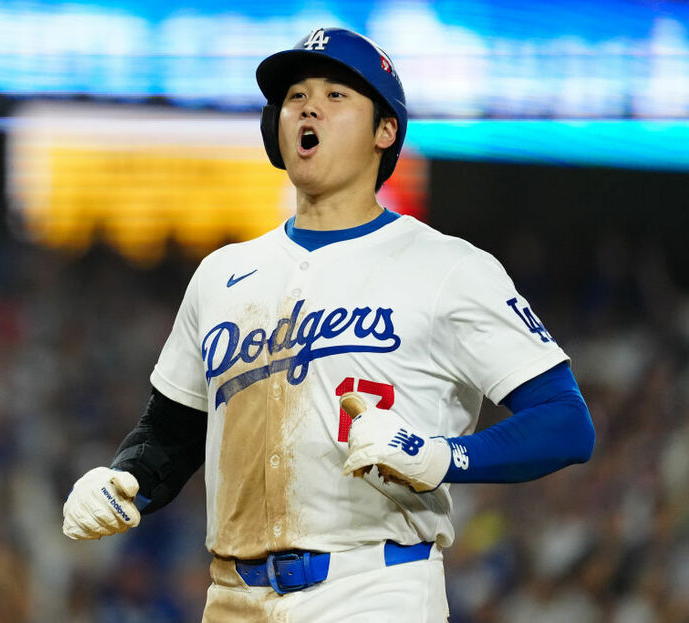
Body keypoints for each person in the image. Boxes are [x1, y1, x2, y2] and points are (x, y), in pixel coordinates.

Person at [61, 27, 595, 622]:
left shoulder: (450, 268)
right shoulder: (223, 273)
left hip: (374, 587)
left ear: (385, 129)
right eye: (295, 96)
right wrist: (123, 479)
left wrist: (444, 456)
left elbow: (567, 423)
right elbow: (170, 434)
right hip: (232, 597)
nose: (308, 106)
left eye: (336, 94)